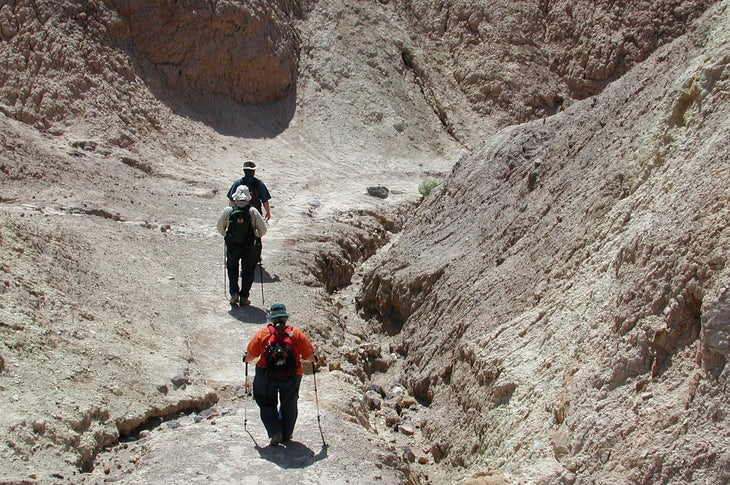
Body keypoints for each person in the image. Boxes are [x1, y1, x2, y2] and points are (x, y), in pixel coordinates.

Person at [243, 303, 316, 446]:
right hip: (292, 374)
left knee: (265, 400)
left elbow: (251, 355)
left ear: (271, 319)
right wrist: (315, 359)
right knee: (289, 403)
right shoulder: (295, 333)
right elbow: (310, 356)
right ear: (285, 318)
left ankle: (274, 431)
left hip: (266, 374)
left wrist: (245, 358)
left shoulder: (263, 333)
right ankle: (286, 434)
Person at [217, 185, 267, 306]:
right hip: (249, 246)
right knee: (248, 271)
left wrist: (227, 235)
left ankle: (234, 294)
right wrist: (256, 235)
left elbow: (220, 227)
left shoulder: (228, 211)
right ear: (248, 198)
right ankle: (244, 296)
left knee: (232, 269)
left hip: (233, 246)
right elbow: (263, 230)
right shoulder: (253, 211)